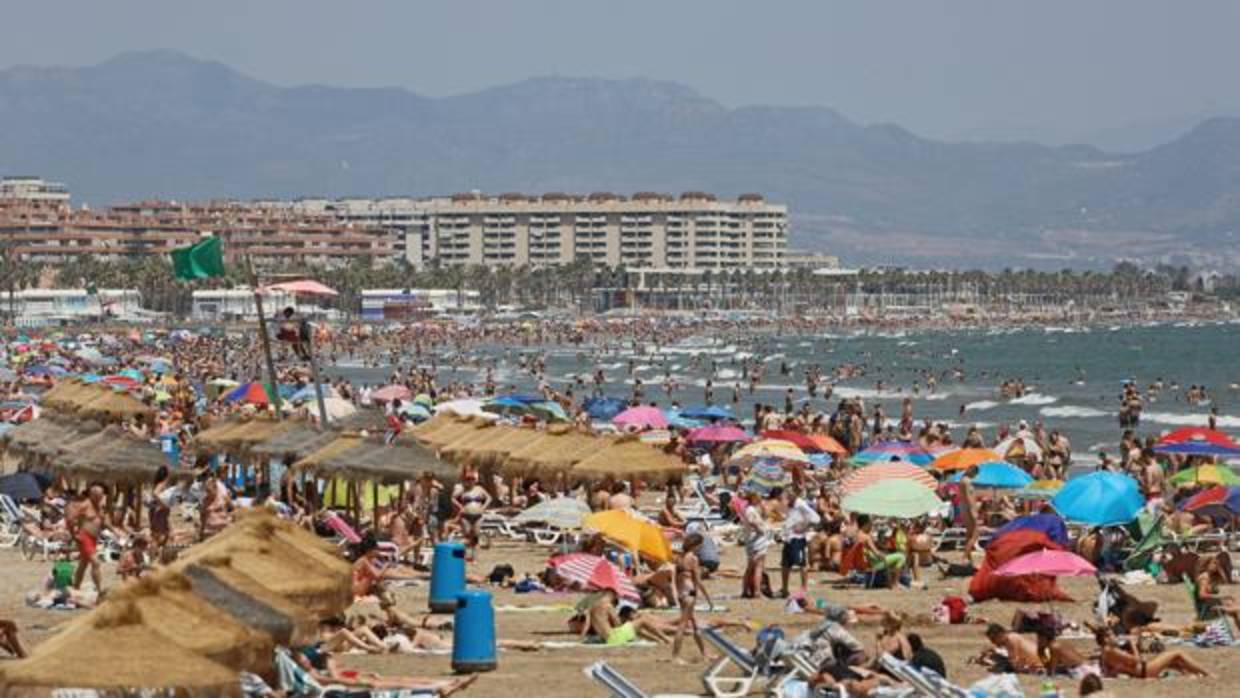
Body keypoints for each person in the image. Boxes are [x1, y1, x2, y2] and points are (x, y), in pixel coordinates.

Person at [1093, 625, 1211, 678]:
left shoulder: (1105, 651)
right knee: (1177, 653)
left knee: (1174, 662)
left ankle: (1196, 674)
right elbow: (1136, 660)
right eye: (1111, 634)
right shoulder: (1111, 650)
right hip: (1145, 671)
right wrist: (1133, 645)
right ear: (1105, 639)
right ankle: (1208, 674)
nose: (1114, 636)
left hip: (1141, 671)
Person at [671, 533, 713, 664]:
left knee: (694, 624)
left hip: (681, 592)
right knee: (683, 625)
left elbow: (676, 578)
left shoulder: (679, 558)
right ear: (696, 545)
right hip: (690, 593)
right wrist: (708, 599)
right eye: (700, 545)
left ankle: (704, 652)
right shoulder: (693, 559)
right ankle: (675, 656)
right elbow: (698, 581)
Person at [779, 487, 819, 597]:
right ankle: (784, 589)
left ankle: (804, 588)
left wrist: (803, 528)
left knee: (802, 564)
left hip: (798, 538)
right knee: (785, 564)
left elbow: (814, 518)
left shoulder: (801, 504)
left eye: (790, 493)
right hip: (788, 537)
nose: (788, 495)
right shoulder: (789, 504)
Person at [740, 490, 773, 599]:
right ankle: (757, 592)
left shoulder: (751, 509)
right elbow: (751, 521)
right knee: (758, 566)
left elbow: (763, 516)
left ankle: (745, 590)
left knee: (750, 567)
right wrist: (759, 529)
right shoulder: (750, 509)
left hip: (752, 540)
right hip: (756, 540)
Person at [975, 623, 1041, 673]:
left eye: (993, 639)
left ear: (1000, 635)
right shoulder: (1011, 637)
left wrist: (993, 662)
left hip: (1038, 662)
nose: (993, 643)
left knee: (1000, 663)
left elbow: (1015, 665)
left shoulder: (1011, 640)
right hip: (1039, 657)